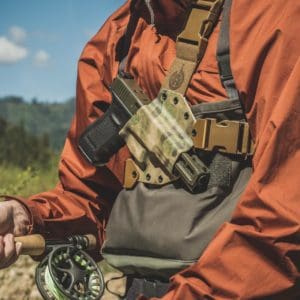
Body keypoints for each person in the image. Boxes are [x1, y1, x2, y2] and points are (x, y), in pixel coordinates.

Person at [0, 0, 299, 299]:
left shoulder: (275, 16)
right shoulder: (117, 39)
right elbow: (92, 198)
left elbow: (284, 214)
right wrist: (27, 217)